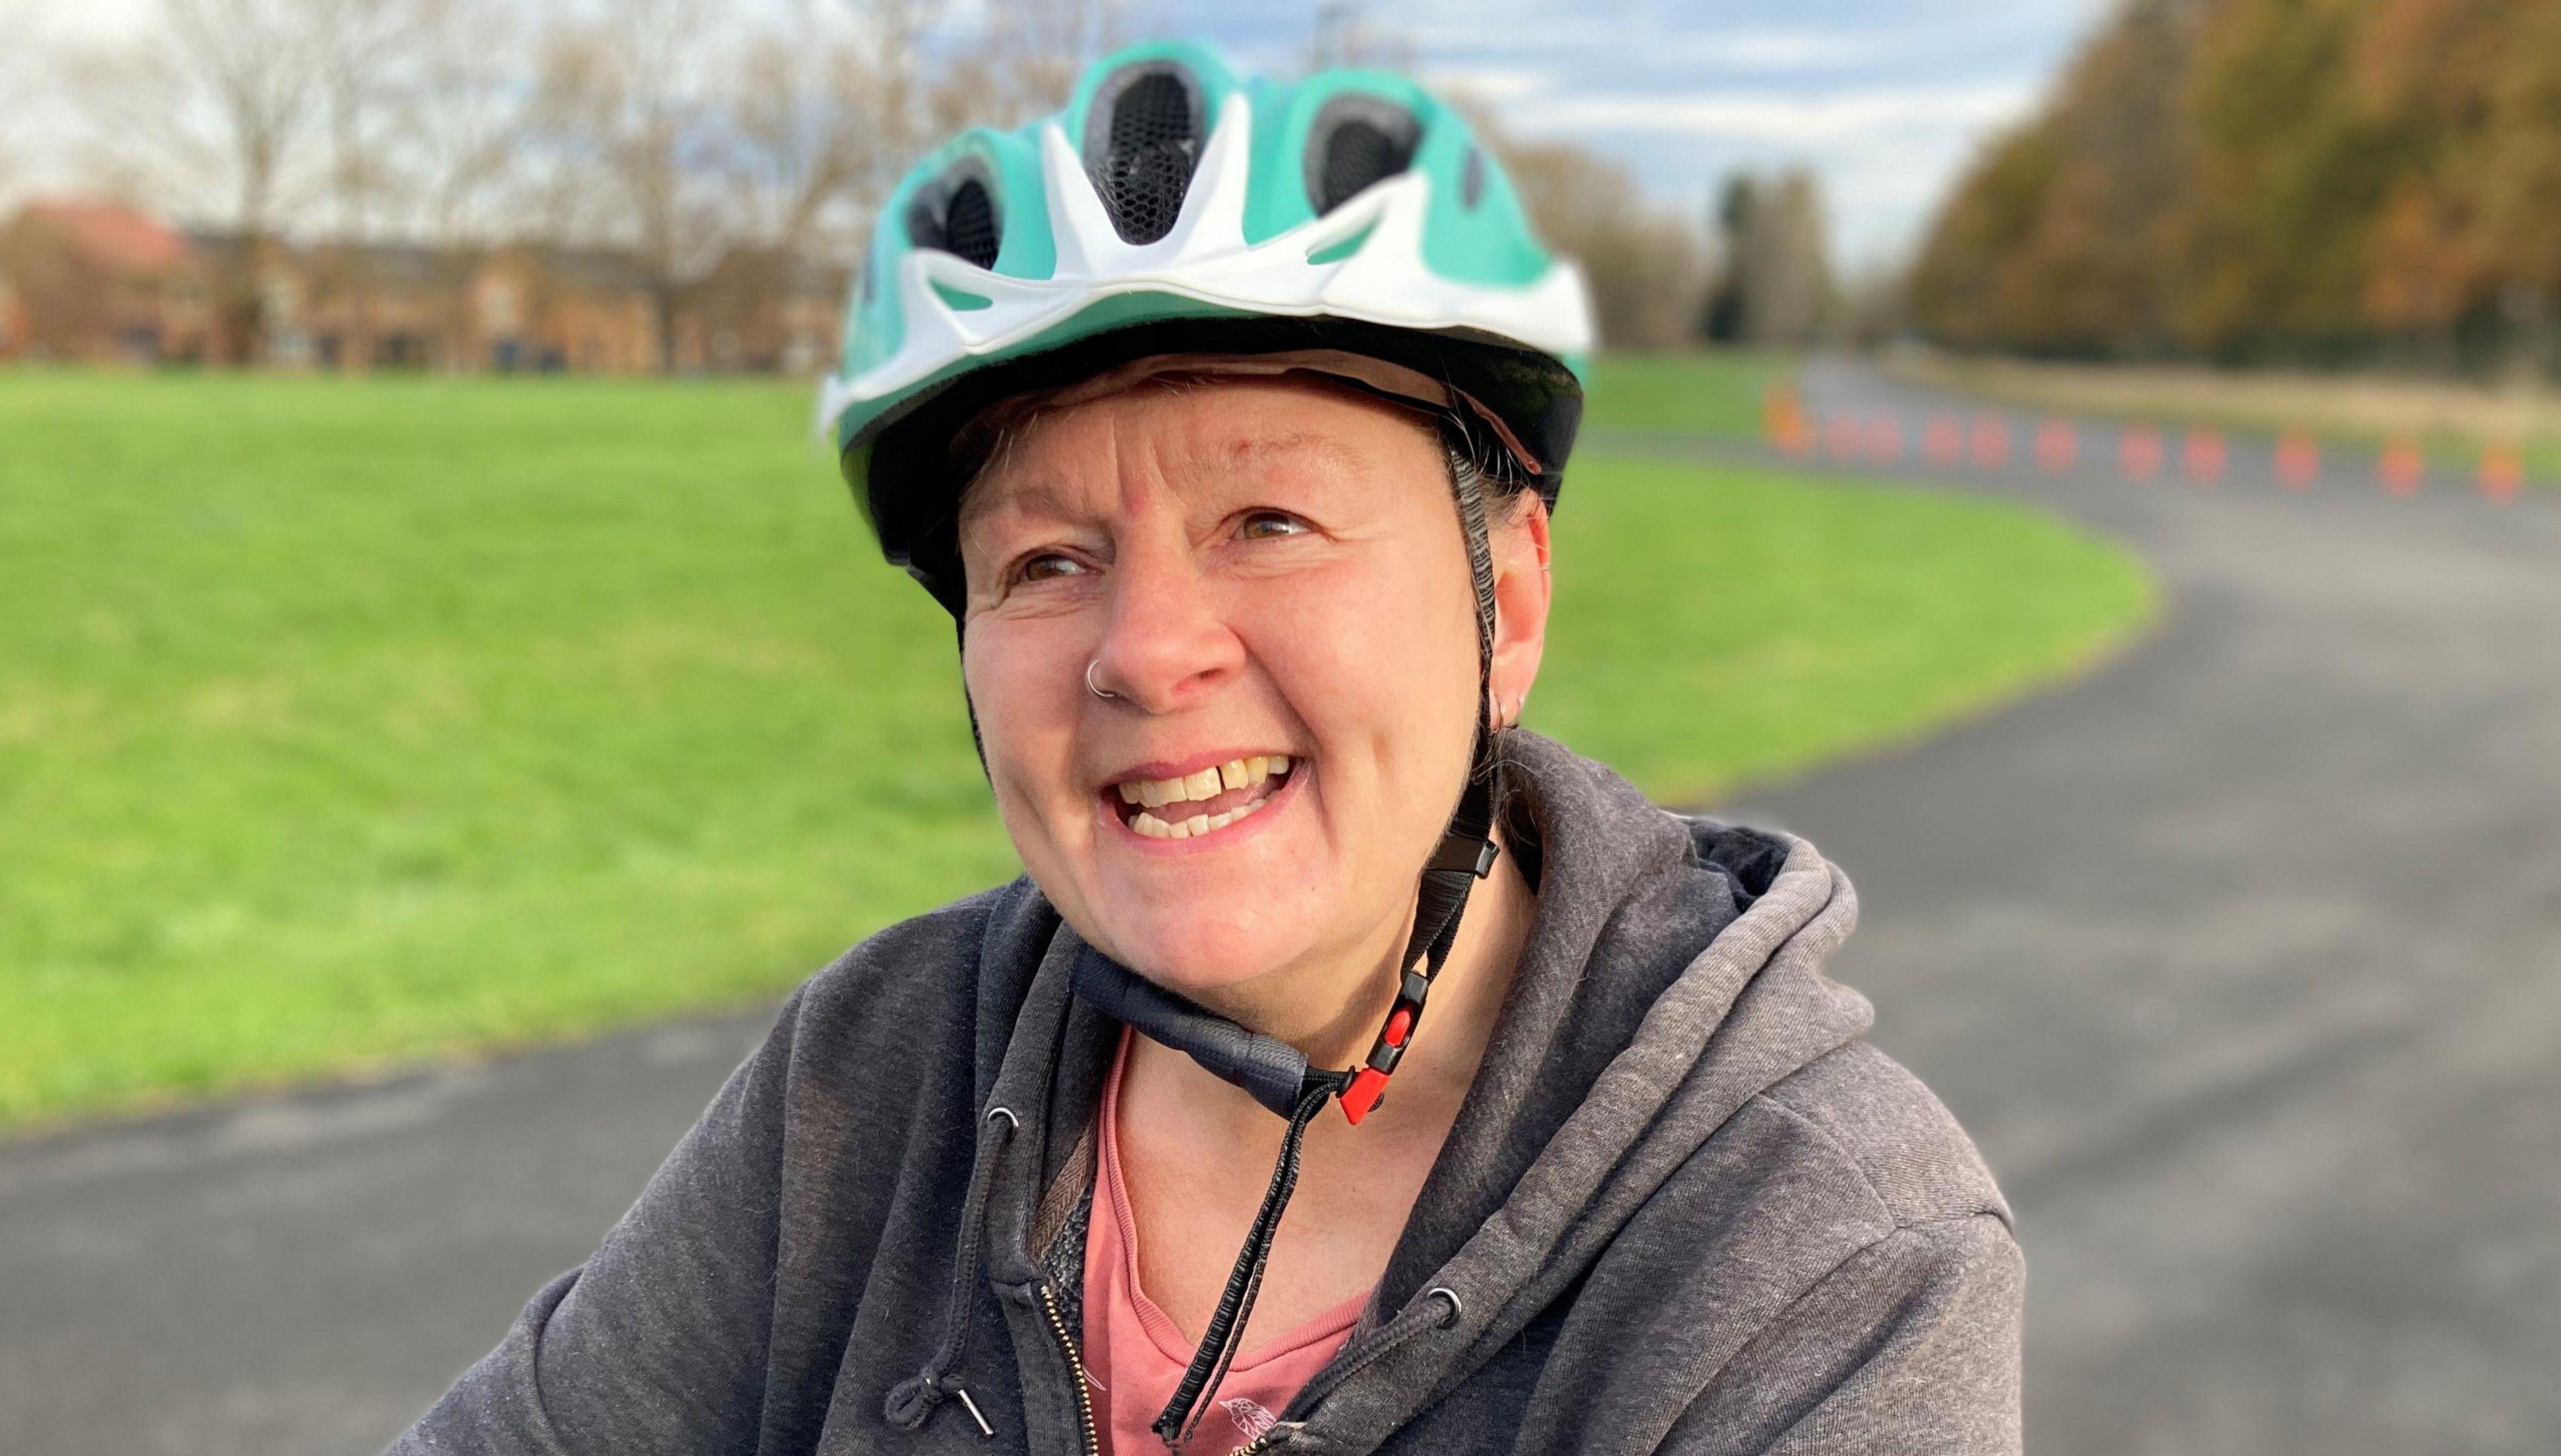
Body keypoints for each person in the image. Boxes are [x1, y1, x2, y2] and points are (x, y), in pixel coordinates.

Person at [389, 40, 2021, 1456]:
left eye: (1270, 520)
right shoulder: (879, 1078)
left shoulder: (1819, 1254)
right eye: (1044, 560)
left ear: (1505, 603)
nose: (1149, 655)